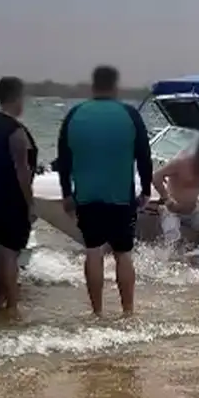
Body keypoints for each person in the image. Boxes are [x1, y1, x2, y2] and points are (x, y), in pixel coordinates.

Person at [56, 65, 152, 317]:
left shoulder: (75, 114)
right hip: (121, 197)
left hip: (87, 197)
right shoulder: (129, 114)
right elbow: (144, 155)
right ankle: (128, 312)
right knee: (123, 254)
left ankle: (97, 312)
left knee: (93, 251)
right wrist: (146, 190)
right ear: (115, 86)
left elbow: (63, 159)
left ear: (93, 85)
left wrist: (67, 193)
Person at [0, 77, 38, 313]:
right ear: (16, 98)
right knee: (10, 253)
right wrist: (31, 204)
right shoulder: (15, 131)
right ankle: (12, 306)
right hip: (10, 198)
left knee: (0, 249)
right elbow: (21, 172)